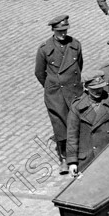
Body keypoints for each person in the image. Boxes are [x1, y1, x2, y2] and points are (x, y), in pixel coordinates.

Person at [34, 14, 83, 174]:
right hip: (56, 94)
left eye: (65, 30)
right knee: (60, 126)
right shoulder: (45, 49)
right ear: (53, 30)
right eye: (59, 31)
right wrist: (52, 87)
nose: (63, 33)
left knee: (77, 121)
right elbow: (39, 73)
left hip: (74, 90)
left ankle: (78, 155)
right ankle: (64, 159)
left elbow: (79, 66)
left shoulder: (75, 45)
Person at [66, 70, 109, 177]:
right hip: (87, 160)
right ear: (86, 88)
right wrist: (72, 162)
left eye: (100, 87)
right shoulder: (77, 107)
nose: (98, 91)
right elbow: (72, 135)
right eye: (94, 89)